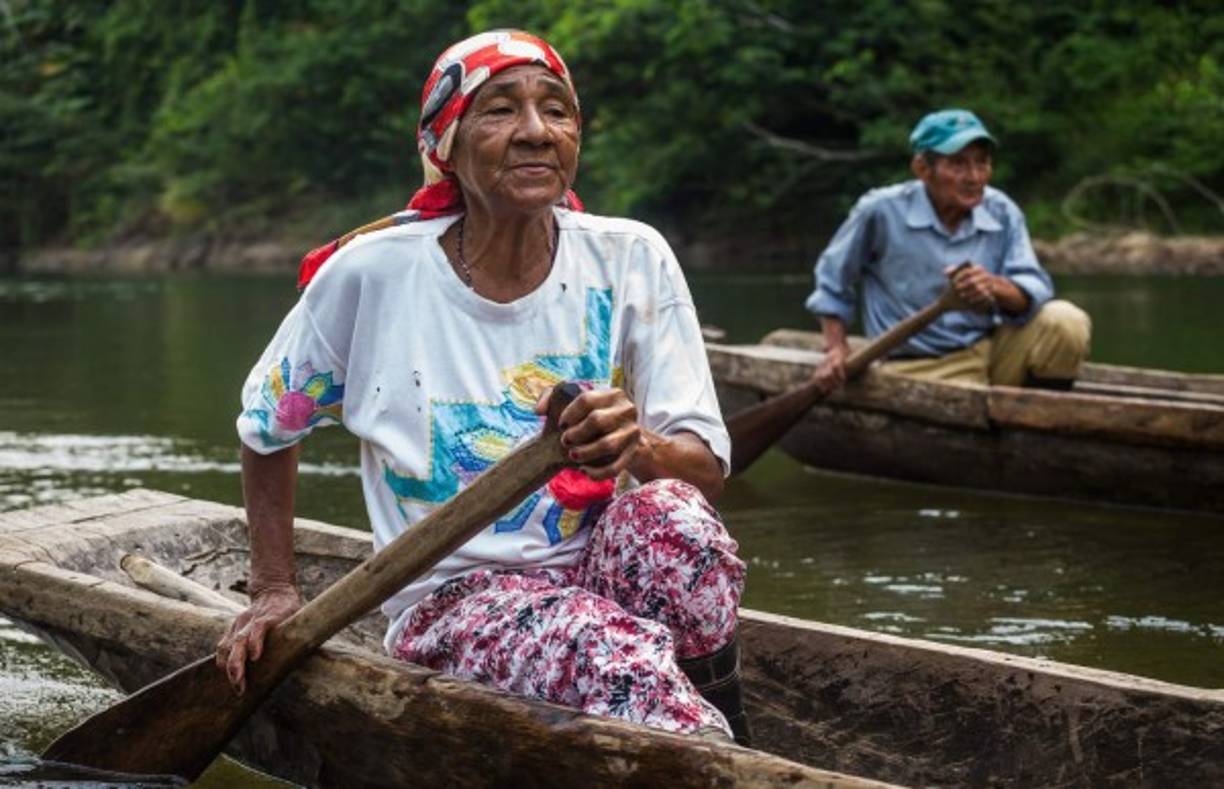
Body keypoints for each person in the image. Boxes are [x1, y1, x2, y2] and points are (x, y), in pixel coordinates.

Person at [215, 30, 750, 744]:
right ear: (449, 144)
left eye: (555, 110)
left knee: (675, 520)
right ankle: (703, 742)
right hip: (452, 600)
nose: (535, 131)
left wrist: (635, 444)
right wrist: (274, 587)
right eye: (500, 109)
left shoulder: (629, 257)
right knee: (601, 648)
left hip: (593, 571)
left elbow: (705, 467)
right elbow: (266, 425)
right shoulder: (373, 272)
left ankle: (726, 736)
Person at [806, 108, 1091, 391]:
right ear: (922, 169)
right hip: (916, 365)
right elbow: (832, 282)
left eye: (982, 163)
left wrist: (993, 287)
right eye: (958, 164)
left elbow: (1032, 291)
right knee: (961, 397)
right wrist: (835, 349)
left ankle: (1034, 419)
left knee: (1066, 322)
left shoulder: (1001, 210)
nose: (974, 177)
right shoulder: (880, 211)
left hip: (989, 351)